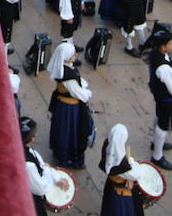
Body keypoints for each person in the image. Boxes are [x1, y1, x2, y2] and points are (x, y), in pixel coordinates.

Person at [143, 24, 172, 170]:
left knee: (159, 117)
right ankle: (157, 156)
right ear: (163, 47)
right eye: (170, 43)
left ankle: (157, 143)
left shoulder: (156, 55)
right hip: (166, 99)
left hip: (160, 96)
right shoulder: (164, 67)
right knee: (163, 124)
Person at [48, 40, 94, 169]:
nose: (76, 56)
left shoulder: (64, 69)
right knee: (71, 133)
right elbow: (80, 94)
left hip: (63, 106)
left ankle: (62, 154)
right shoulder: (67, 76)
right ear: (67, 57)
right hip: (70, 109)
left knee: (63, 131)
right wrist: (88, 93)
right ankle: (70, 159)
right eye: (73, 55)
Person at [21, 115, 68, 216]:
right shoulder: (28, 164)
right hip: (28, 201)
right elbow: (40, 188)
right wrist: (47, 169)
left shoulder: (28, 151)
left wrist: (56, 177)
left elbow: (41, 164)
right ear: (32, 139)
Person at [99, 123, 146, 216]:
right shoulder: (120, 163)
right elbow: (136, 173)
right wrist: (132, 162)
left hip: (112, 187)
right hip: (122, 196)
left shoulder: (107, 145)